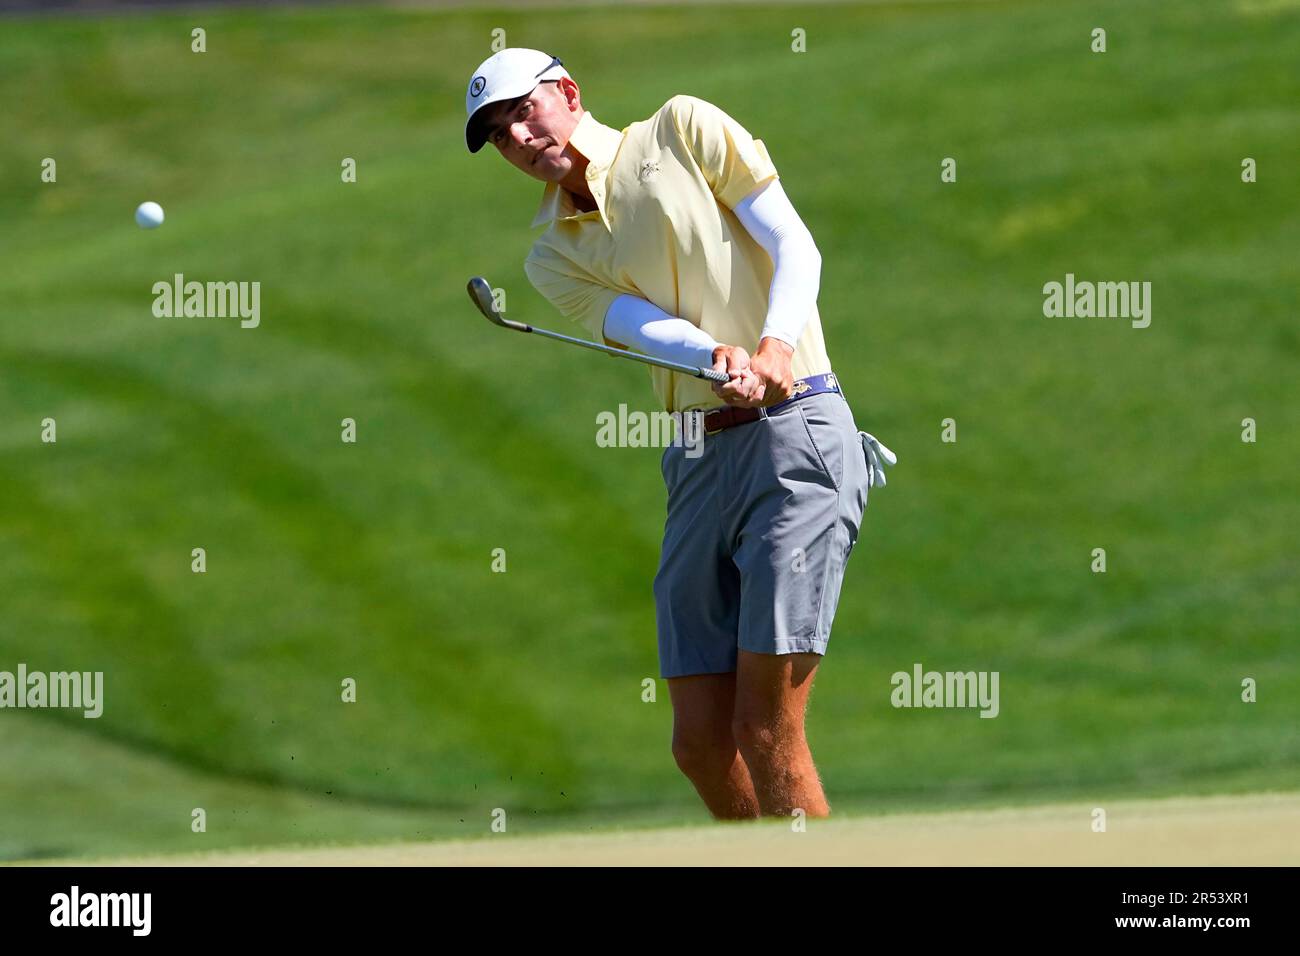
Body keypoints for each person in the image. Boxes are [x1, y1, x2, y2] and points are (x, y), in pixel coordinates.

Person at [464, 48, 895, 818]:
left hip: (795, 435)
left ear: (567, 92)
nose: (520, 138)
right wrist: (714, 355)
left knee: (765, 725)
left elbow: (796, 244)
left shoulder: (680, 130)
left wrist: (773, 349)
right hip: (696, 459)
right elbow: (634, 323)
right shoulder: (553, 252)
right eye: (499, 134)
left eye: (525, 110)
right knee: (700, 743)